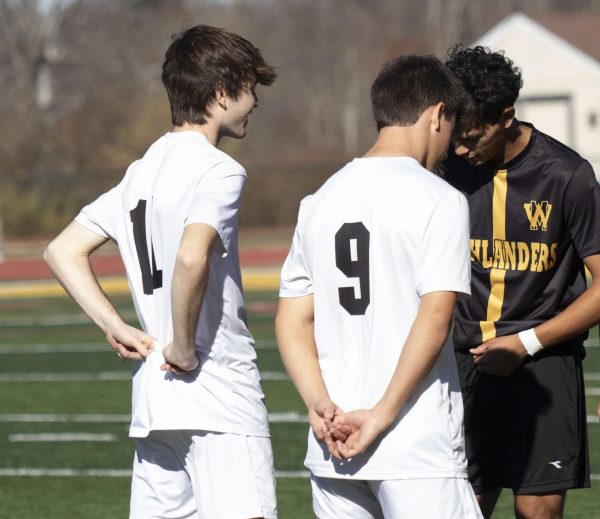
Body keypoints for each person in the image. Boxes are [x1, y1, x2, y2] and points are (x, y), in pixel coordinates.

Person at [44, 25, 278, 519]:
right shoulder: (219, 169)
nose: (255, 101)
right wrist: (185, 348)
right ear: (220, 93)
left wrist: (115, 327)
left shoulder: (140, 171)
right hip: (218, 397)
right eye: (249, 88)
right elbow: (192, 258)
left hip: (155, 400)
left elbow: (62, 251)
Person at [275, 55, 482, 519]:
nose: (449, 144)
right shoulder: (441, 199)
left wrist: (319, 404)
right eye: (450, 126)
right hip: (413, 445)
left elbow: (291, 318)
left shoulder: (318, 200)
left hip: (334, 446)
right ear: (436, 115)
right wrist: (382, 415)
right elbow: (435, 316)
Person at [438, 44, 600, 519]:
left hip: (544, 366)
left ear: (506, 116)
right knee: (462, 510)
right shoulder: (444, 165)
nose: (462, 149)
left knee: (538, 513)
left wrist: (526, 343)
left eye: (473, 136)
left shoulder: (569, 175)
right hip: (463, 366)